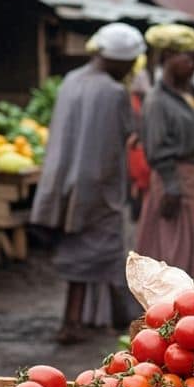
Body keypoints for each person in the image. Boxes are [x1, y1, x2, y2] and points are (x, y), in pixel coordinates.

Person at [30, 22, 145, 344]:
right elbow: (121, 139)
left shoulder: (71, 80)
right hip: (98, 187)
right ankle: (107, 321)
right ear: (119, 59)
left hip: (63, 183)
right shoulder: (113, 91)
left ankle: (83, 319)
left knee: (78, 255)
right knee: (104, 254)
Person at [135, 24, 194, 286]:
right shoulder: (157, 101)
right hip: (177, 185)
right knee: (178, 252)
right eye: (188, 58)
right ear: (166, 58)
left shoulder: (185, 94)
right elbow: (158, 150)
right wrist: (172, 187)